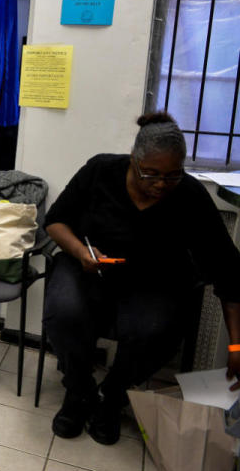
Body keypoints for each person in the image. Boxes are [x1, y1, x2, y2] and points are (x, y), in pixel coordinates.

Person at [43, 112, 240, 445]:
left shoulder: (189, 194)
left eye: (172, 175)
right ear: (133, 160)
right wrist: (80, 251)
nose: (161, 184)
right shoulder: (100, 170)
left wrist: (236, 345)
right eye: (151, 174)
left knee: (157, 330)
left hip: (152, 283)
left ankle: (112, 395)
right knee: (64, 312)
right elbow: (55, 221)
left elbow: (228, 271)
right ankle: (78, 390)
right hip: (89, 270)